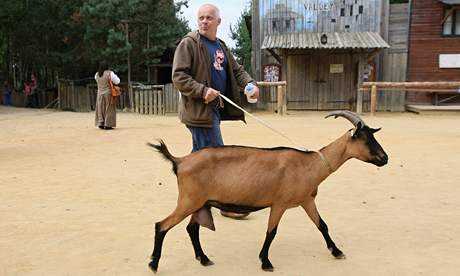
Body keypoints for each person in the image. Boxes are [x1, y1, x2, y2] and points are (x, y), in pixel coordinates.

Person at [172, 4, 260, 219]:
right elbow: (179, 76)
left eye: (209, 18)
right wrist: (202, 91)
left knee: (199, 158)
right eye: (201, 17)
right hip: (199, 113)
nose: (204, 21)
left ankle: (193, 197)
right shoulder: (189, 44)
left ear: (218, 22)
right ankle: (227, 206)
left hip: (214, 111)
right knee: (219, 159)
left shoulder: (220, 46)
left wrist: (250, 84)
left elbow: (237, 71)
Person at [94, 61, 120, 130]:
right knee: (109, 108)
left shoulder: (97, 74)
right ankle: (108, 125)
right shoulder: (110, 73)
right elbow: (117, 81)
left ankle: (100, 123)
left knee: (100, 108)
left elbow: (97, 81)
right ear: (107, 66)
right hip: (108, 93)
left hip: (99, 93)